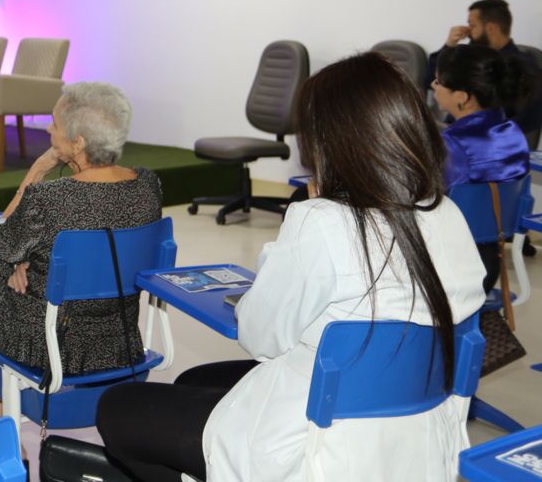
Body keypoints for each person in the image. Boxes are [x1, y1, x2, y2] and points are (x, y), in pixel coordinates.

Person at [96, 52, 486, 482]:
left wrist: (298, 225)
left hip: (318, 448)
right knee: (194, 380)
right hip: (415, 437)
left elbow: (261, 339)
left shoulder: (324, 221)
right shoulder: (447, 213)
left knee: (120, 406)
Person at [0, 82, 162, 413]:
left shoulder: (49, 199)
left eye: (55, 124)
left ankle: (2, 423)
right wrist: (28, 256)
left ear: (78, 142)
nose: (50, 129)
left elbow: (2, 244)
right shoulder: (148, 186)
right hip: (120, 338)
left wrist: (38, 170)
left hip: (47, 343)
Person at [433, 43, 533, 290]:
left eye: (438, 81)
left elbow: (428, 202)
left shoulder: (454, 144)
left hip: (449, 268)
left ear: (462, 97)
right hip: (489, 263)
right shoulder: (513, 133)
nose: (432, 86)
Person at [429, 0, 542, 143]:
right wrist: (449, 46)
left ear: (490, 28)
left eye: (473, 25)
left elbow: (530, 117)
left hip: (486, 142)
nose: (468, 31)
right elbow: (430, 82)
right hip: (455, 133)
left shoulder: (523, 65)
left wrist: (487, 137)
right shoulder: (468, 57)